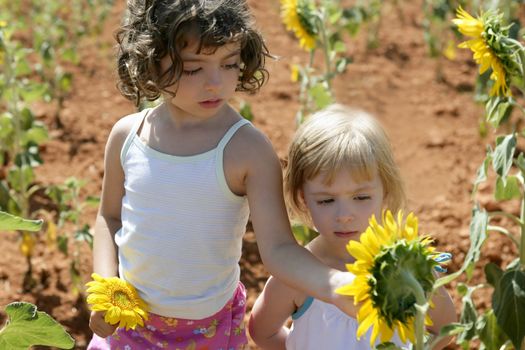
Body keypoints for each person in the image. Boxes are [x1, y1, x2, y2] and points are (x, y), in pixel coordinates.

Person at [87, 1, 357, 349]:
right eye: (193, 69)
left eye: (229, 64)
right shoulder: (127, 136)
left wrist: (333, 285)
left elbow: (277, 248)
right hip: (128, 323)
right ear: (151, 61)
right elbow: (108, 218)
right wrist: (106, 286)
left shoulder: (247, 149)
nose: (216, 83)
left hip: (206, 330)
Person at [248, 104, 457, 350]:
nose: (345, 215)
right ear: (303, 199)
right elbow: (262, 331)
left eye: (361, 198)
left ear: (385, 192)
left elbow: (445, 329)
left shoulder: (409, 268)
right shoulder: (297, 275)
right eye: (326, 200)